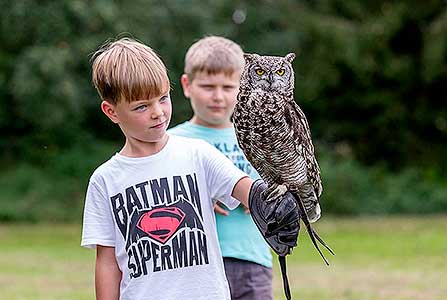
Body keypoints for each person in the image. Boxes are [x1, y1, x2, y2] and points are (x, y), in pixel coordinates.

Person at [80, 37, 299, 300]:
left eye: (162, 98)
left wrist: (278, 199)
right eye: (141, 106)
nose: (157, 113)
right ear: (111, 112)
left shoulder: (197, 153)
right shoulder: (105, 180)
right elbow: (106, 261)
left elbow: (247, 190)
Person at [169, 36, 273, 300]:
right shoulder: (169, 142)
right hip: (191, 264)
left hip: (252, 259)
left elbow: (282, 190)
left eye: (228, 87)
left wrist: (259, 195)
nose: (218, 96)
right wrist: (194, 196)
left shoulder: (260, 138)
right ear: (187, 85)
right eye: (207, 86)